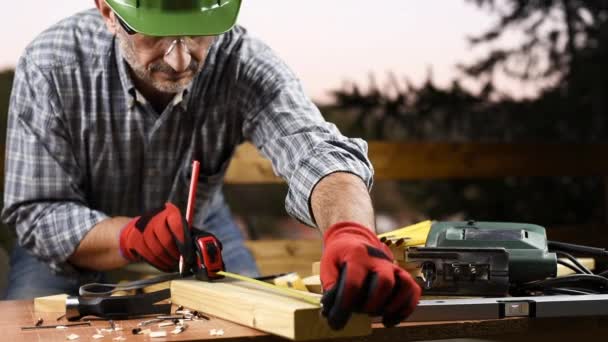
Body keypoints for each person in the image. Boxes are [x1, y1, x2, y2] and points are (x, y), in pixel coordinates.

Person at [1, 0, 420, 329]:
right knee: (26, 326)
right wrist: (130, 235)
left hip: (197, 224)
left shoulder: (244, 61)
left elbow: (317, 150)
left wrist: (350, 232)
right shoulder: (51, 64)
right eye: (158, 36)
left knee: (259, 321)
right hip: (69, 239)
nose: (181, 61)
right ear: (109, 13)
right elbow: (38, 212)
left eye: (199, 35)